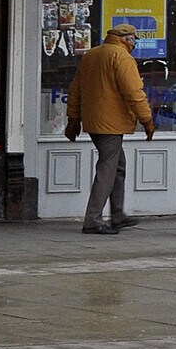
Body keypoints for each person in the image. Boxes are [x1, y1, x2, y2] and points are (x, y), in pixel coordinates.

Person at [64, 23, 154, 235]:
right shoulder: (122, 58)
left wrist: (74, 120)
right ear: (127, 39)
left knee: (117, 164)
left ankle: (118, 213)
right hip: (110, 123)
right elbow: (134, 93)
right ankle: (93, 219)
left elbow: (75, 89)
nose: (135, 45)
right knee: (108, 167)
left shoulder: (91, 55)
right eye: (134, 40)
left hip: (94, 120)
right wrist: (147, 120)